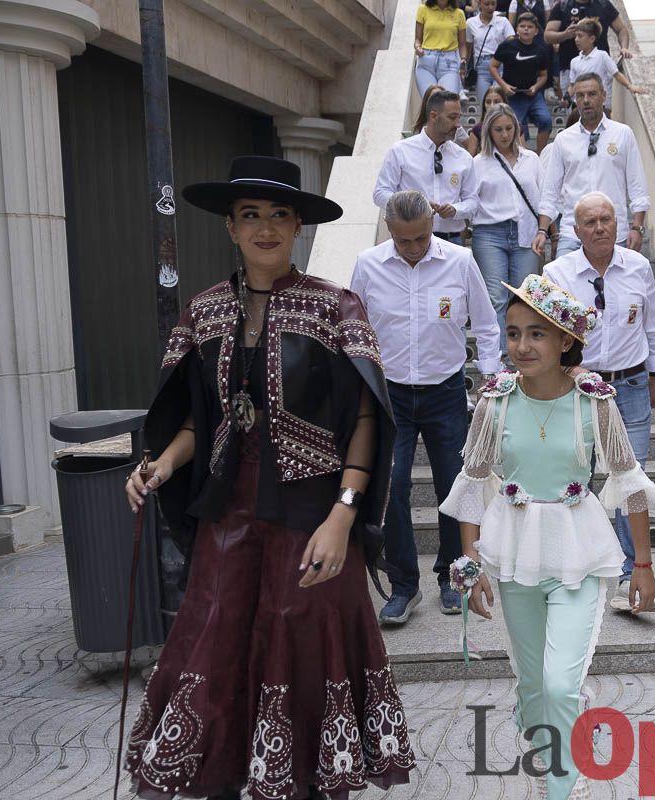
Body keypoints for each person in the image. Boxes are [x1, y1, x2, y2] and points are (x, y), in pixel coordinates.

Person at [123, 156, 416, 799]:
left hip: (311, 513)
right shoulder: (203, 312)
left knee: (301, 640)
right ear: (230, 227)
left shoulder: (337, 306)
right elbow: (199, 421)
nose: (264, 228)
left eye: (278, 215)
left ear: (297, 228)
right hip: (228, 514)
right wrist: (162, 464)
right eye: (249, 215)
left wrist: (344, 515)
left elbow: (368, 417)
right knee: (216, 636)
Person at [440, 273, 655, 800]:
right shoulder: (493, 403)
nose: (522, 345)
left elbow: (627, 483)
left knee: (562, 683)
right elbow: (473, 487)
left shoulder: (595, 403)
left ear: (566, 340)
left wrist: (645, 567)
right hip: (515, 554)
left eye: (537, 334)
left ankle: (562, 787)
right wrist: (470, 568)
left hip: (578, 552)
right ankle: (543, 728)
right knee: (535, 686)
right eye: (513, 333)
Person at [350, 190, 501, 626]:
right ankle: (403, 585)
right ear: (389, 231)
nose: (414, 248)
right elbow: (354, 328)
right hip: (390, 393)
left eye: (420, 238)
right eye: (404, 241)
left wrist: (490, 380)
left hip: (446, 390)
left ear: (432, 225)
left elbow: (488, 326)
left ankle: (452, 577)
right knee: (392, 487)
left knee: (452, 487)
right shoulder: (368, 264)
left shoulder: (459, 261)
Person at [543, 192, 655, 612]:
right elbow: (547, 337)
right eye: (590, 222)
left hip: (630, 388)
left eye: (607, 219)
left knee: (631, 481)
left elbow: (653, 323)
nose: (599, 228)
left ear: (618, 224)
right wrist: (568, 371)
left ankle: (631, 573)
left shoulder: (639, 267)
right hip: (576, 391)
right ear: (575, 231)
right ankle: (575, 567)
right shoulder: (556, 273)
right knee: (575, 480)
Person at [533, 73, 649, 258]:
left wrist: (637, 227)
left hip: (613, 234)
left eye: (592, 94)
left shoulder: (623, 134)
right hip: (573, 234)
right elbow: (550, 191)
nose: (586, 100)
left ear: (603, 95)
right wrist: (542, 230)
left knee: (614, 287)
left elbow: (637, 186)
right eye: (580, 95)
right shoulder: (563, 140)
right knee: (562, 286)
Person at [471, 104, 547, 352]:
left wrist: (543, 230)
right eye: (498, 129)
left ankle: (522, 353)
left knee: (525, 298)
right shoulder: (478, 163)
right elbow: (470, 200)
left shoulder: (532, 159)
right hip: (490, 233)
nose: (504, 134)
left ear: (517, 128)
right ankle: (498, 355)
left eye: (508, 128)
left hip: (525, 232)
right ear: (488, 132)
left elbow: (544, 198)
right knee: (496, 297)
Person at [375, 88, 479, 244]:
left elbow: (473, 201)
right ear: (433, 116)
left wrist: (455, 210)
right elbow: (380, 193)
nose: (458, 125)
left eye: (459, 118)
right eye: (452, 118)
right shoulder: (400, 150)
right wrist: (410, 203)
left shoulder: (463, 157)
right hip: (410, 241)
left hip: (451, 241)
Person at [490, 12, 552, 152]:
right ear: (516, 28)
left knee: (546, 121)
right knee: (516, 125)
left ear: (536, 31)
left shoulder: (541, 49)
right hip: (513, 95)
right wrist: (504, 86)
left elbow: (543, 75)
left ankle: (540, 155)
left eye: (530, 27)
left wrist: (536, 87)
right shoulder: (507, 46)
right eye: (522, 26)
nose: (526, 29)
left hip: (533, 95)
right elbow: (492, 66)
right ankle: (521, 155)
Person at [545, 0, 630, 97]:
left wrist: (624, 48)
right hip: (570, 68)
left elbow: (621, 29)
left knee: (603, 108)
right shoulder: (563, 6)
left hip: (600, 67)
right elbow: (548, 35)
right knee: (573, 109)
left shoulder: (604, 4)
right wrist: (565, 35)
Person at [568, 18, 644, 115]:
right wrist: (566, 97)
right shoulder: (574, 61)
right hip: (580, 106)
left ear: (592, 39)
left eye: (580, 36)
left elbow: (616, 74)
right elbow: (572, 85)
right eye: (575, 36)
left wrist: (630, 86)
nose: (576, 40)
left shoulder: (602, 56)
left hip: (601, 106)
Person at [415, 0, 468, 95]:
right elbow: (418, 39)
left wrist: (463, 59)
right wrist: (417, 47)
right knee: (429, 101)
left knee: (447, 101)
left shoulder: (459, 13)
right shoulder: (423, 10)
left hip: (449, 63)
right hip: (426, 61)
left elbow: (462, 44)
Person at [465, 1, 514, 103]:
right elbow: (468, 48)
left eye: (493, 4)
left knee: (499, 102)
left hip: (499, 65)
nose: (490, 7)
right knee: (483, 102)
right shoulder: (470, 23)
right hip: (481, 67)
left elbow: (512, 41)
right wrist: (464, 67)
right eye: (486, 4)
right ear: (480, 4)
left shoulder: (503, 21)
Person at [414, 83, 473, 149]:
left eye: (441, 96)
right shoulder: (419, 129)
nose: (438, 100)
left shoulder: (456, 127)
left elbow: (470, 145)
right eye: (434, 98)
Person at [464, 84, 507, 155]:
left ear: (504, 103)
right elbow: (470, 161)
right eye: (488, 102)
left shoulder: (515, 127)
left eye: (496, 102)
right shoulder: (477, 129)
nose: (492, 106)